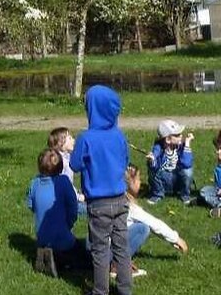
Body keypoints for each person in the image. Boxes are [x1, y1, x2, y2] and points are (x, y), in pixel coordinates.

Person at [70, 85, 132, 295]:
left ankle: (100, 291)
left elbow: (75, 165)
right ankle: (125, 290)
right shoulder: (119, 136)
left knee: (100, 249)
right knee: (122, 248)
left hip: (98, 203)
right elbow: (126, 161)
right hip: (121, 199)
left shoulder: (86, 138)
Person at [26, 148, 89, 276]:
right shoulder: (63, 182)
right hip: (63, 238)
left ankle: (47, 254)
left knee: (60, 243)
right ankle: (61, 261)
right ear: (61, 166)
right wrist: (69, 223)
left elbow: (31, 206)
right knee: (85, 255)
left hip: (42, 238)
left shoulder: (34, 183)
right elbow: (73, 207)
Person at [123, 165, 187, 277]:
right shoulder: (130, 207)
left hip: (98, 244)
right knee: (142, 228)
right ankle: (118, 265)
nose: (140, 182)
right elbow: (154, 223)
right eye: (138, 179)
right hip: (110, 249)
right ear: (130, 182)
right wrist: (176, 239)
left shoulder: (113, 200)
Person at [145, 120, 194, 204]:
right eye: (177, 135)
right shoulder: (158, 149)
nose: (181, 136)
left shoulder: (181, 147)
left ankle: (185, 194)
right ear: (168, 139)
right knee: (152, 170)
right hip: (164, 181)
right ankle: (157, 194)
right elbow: (154, 165)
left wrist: (187, 143)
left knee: (188, 171)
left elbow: (187, 163)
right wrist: (152, 159)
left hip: (177, 180)